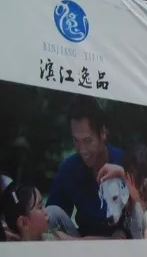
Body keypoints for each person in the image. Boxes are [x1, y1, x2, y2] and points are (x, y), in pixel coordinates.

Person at [46, 98, 128, 238]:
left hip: (123, 242)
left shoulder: (124, 162)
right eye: (76, 141)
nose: (82, 149)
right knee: (51, 213)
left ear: (103, 133)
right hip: (83, 241)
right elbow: (49, 216)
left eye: (88, 140)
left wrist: (124, 175)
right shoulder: (69, 169)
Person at [0, 182, 74, 241]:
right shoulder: (53, 243)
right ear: (23, 222)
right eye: (40, 207)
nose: (46, 213)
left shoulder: (55, 237)